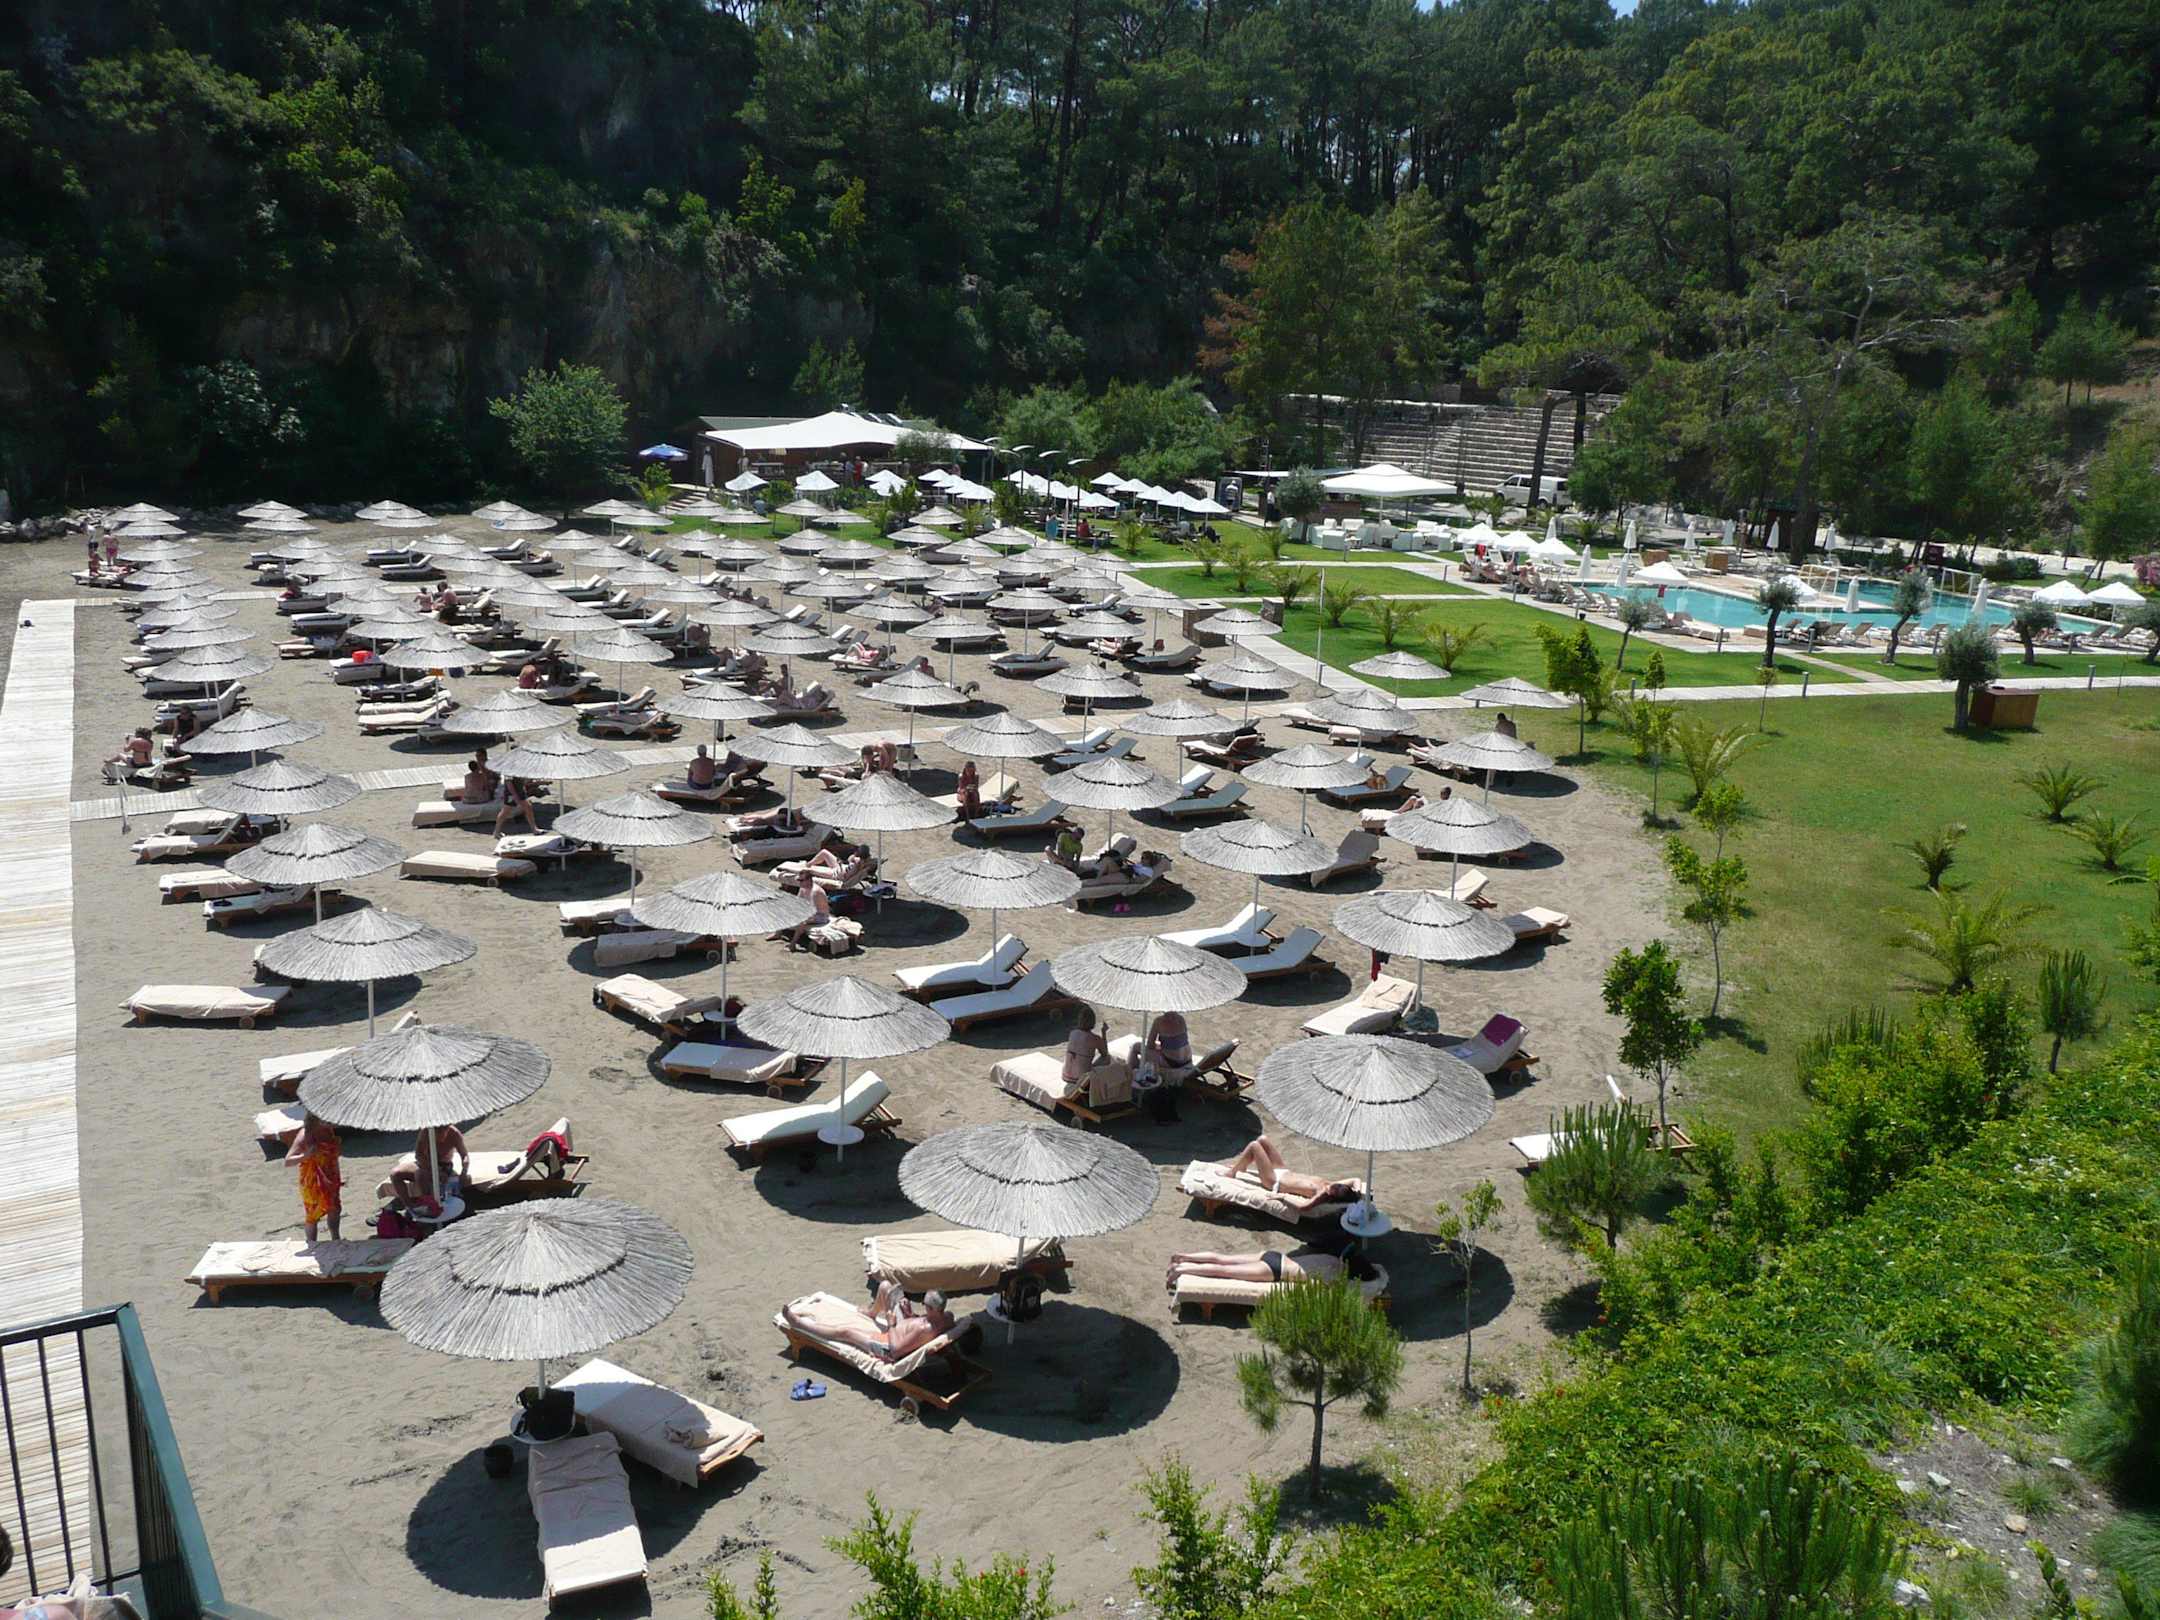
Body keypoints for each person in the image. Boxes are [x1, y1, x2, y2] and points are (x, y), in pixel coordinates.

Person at [783, 1289, 954, 1361]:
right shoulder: (947, 1317)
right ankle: (872, 1312)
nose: (923, 1306)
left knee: (846, 1332)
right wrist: (910, 1315)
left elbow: (895, 1350)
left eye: (925, 1305)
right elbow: (917, 1330)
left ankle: (798, 1323)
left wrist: (891, 1324)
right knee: (887, 1288)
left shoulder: (924, 1329)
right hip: (903, 1329)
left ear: (932, 1308)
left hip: (887, 1347)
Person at [1209, 1136, 1362, 1213]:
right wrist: (1358, 1192)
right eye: (1335, 1186)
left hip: (1273, 1180)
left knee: (1254, 1146)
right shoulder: (1333, 1185)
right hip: (1283, 1171)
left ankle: (1232, 1173)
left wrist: (1282, 1197)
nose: (1332, 1187)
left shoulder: (1322, 1194)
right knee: (1262, 1139)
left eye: (1333, 1190)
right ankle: (1241, 1166)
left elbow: (1303, 1208)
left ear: (1332, 1196)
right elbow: (1356, 1179)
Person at [284, 1113, 343, 1243]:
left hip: (331, 1176)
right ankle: (312, 1242)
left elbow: (333, 1155)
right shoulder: (305, 1135)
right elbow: (288, 1161)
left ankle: (335, 1238)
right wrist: (306, 1155)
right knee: (313, 1214)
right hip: (312, 1180)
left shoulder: (328, 1130)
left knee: (335, 1208)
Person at [391, 1124, 468, 1206]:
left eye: (443, 1130)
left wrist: (464, 1171)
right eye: (438, 1131)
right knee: (395, 1174)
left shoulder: (454, 1133)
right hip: (426, 1163)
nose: (441, 1135)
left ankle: (430, 1204)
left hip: (444, 1166)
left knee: (420, 1175)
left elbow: (464, 1155)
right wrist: (432, 1169)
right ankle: (409, 1205)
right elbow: (419, 1155)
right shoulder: (426, 1132)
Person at [1062, 1007, 1128, 1099]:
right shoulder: (1094, 1038)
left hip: (1066, 1075)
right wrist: (1103, 1033)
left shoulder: (1072, 1033)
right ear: (1093, 1022)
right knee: (1107, 1059)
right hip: (1081, 1078)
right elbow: (1105, 1054)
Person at [1142, 1011, 1192, 1079]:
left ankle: (1130, 1075)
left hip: (1172, 1062)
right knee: (1158, 1048)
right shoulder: (1181, 1018)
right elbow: (1177, 1043)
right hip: (1187, 1060)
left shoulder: (1158, 1021)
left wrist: (1157, 1047)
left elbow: (1150, 1045)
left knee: (1136, 1047)